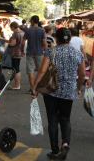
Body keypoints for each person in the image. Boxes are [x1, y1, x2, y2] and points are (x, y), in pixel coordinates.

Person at [32, 28, 85, 160]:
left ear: (57, 39)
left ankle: (55, 151)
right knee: (65, 119)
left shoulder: (51, 51)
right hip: (69, 92)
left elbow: (43, 71)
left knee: (52, 119)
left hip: (51, 91)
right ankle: (65, 143)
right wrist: (78, 88)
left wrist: (35, 86)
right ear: (70, 39)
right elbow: (82, 74)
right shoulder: (78, 53)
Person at [23, 15, 47, 90]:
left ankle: (32, 88)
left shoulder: (28, 30)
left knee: (31, 71)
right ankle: (38, 86)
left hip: (30, 53)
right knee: (40, 71)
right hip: (39, 53)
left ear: (33, 21)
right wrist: (45, 51)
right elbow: (44, 43)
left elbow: (23, 41)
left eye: (31, 20)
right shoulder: (42, 30)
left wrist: (21, 50)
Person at [4, 22, 24, 90]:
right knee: (17, 68)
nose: (11, 29)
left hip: (15, 53)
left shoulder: (15, 33)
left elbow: (12, 44)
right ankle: (17, 85)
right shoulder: (22, 32)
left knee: (16, 69)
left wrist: (8, 43)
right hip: (19, 52)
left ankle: (17, 85)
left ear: (13, 27)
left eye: (11, 27)